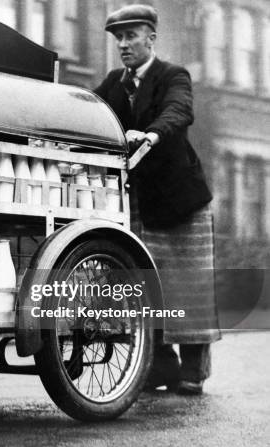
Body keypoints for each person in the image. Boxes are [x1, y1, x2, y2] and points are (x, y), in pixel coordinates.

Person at [94, 4, 221, 395]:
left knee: (190, 287)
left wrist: (151, 134)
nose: (124, 45)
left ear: (151, 37)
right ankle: (160, 368)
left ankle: (193, 373)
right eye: (119, 38)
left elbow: (179, 110)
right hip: (139, 203)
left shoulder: (172, 76)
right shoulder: (115, 83)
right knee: (150, 287)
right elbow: (90, 109)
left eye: (131, 36)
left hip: (181, 201)